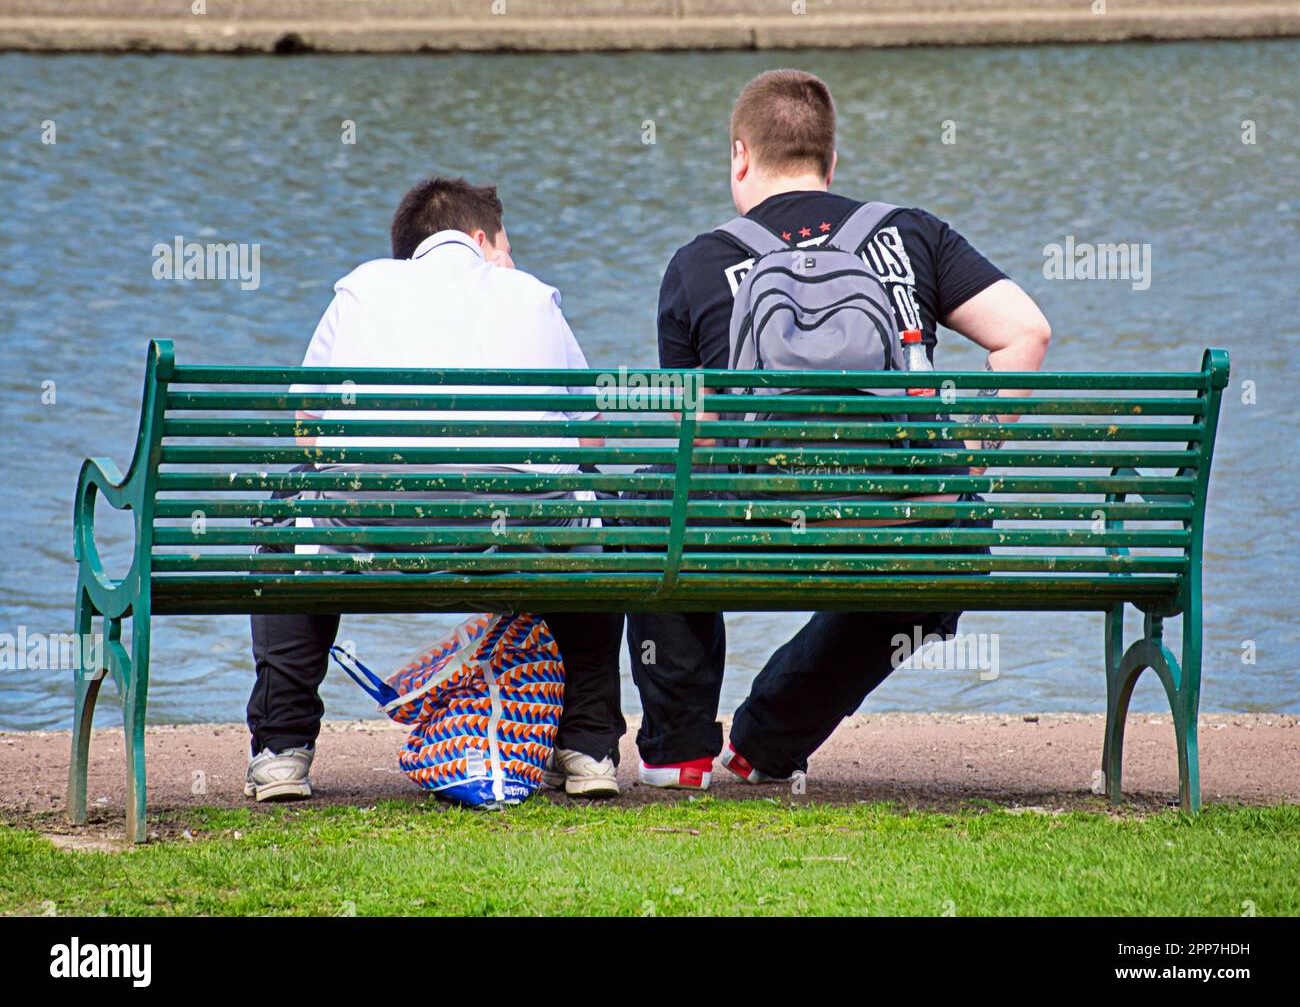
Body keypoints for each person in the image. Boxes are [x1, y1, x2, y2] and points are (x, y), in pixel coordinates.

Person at [627, 70, 1052, 789]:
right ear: (831, 161)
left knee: (648, 503)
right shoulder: (913, 232)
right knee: (939, 541)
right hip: (909, 521)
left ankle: (680, 749)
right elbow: (1027, 335)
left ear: (740, 156)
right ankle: (769, 737)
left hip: (759, 526)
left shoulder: (698, 263)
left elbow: (691, 440)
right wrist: (965, 461)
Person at [245, 176, 625, 802]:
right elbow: (592, 442)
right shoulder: (531, 296)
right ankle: (587, 750)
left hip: (372, 530)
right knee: (587, 518)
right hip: (518, 534)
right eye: (507, 246)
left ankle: (282, 751)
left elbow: (305, 430)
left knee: (293, 518)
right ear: (481, 239)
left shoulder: (360, 289)